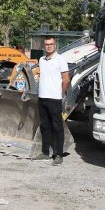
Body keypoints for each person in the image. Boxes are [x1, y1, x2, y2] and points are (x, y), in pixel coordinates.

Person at [37, 36, 70, 166]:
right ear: (43, 46)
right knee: (45, 126)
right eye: (46, 44)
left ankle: (58, 154)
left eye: (51, 44)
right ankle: (45, 152)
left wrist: (61, 93)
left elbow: (66, 79)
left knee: (57, 127)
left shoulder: (61, 60)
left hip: (55, 98)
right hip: (42, 98)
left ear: (55, 45)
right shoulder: (41, 60)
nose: (49, 46)